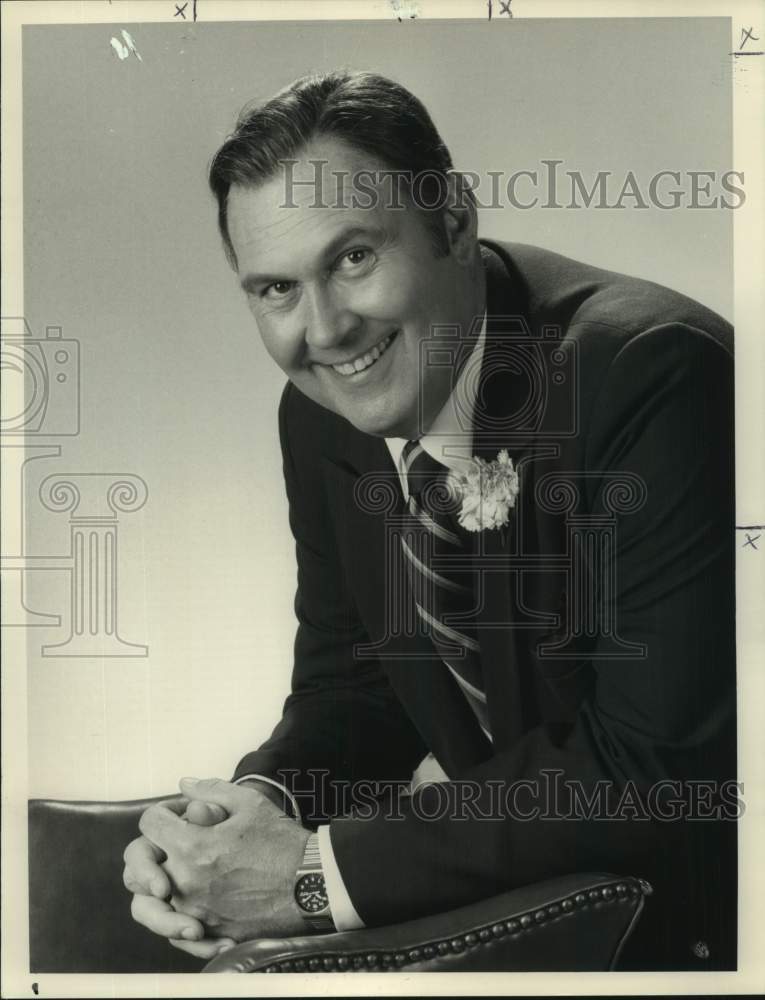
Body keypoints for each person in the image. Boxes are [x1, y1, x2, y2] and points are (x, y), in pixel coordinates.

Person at [122, 70, 737, 970]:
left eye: (352, 259)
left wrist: (308, 878)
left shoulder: (647, 376)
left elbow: (653, 770)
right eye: (275, 290)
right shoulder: (321, 414)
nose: (324, 331)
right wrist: (244, 814)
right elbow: (357, 686)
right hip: (532, 917)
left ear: (452, 222)